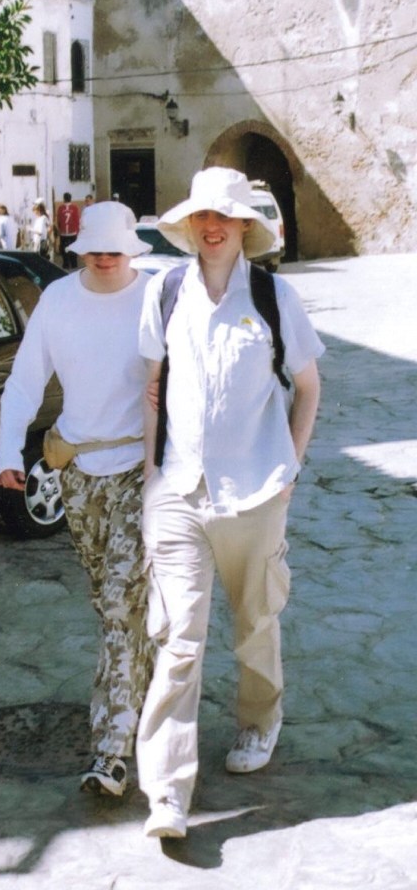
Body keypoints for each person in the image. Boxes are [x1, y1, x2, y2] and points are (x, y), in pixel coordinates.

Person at [136, 167, 324, 840]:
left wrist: (290, 469)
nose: (211, 227)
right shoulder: (165, 291)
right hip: (182, 492)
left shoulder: (273, 298)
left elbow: (308, 386)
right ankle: (167, 791)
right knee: (178, 643)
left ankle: (257, 722)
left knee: (255, 624)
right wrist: (152, 481)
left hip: (254, 492)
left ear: (244, 226)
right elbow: (152, 386)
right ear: (189, 226)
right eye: (201, 218)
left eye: (225, 217)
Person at [0, 201, 155, 799]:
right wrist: (9, 453)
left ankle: (112, 751)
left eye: (115, 249)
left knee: (119, 598)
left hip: (143, 468)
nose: (105, 258)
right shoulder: (59, 301)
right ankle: (143, 689)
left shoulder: (156, 298)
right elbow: (25, 380)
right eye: (95, 249)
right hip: (79, 472)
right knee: (110, 601)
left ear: (132, 250)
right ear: (80, 249)